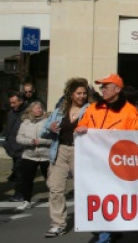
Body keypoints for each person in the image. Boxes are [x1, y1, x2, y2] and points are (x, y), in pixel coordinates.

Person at [75, 74, 138, 243]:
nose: (102, 89)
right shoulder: (93, 109)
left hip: (118, 164)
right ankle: (110, 230)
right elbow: (81, 126)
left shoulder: (130, 111)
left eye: (106, 86)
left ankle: (106, 235)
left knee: (111, 198)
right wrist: (81, 128)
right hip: (96, 163)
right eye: (101, 86)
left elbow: (137, 137)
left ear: (118, 89)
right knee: (101, 198)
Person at [41, 77, 91, 237]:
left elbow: (99, 129)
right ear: (71, 94)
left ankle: (90, 219)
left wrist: (87, 129)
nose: (82, 96)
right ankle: (58, 224)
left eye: (84, 93)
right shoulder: (59, 111)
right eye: (78, 93)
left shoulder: (91, 109)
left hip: (80, 152)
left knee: (85, 188)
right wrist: (51, 127)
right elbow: (44, 131)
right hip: (60, 150)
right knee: (56, 189)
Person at [14, 101, 49, 212]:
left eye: (40, 108)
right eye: (35, 108)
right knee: (27, 180)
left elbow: (53, 139)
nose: (38, 110)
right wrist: (30, 141)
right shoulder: (25, 123)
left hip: (45, 155)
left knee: (50, 179)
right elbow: (19, 138)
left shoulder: (47, 122)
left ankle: (55, 200)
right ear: (31, 110)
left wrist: (41, 141)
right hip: (29, 155)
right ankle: (26, 200)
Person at [4, 92, 26, 194]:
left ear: (20, 101)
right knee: (17, 171)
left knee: (20, 172)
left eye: (14, 103)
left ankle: (19, 193)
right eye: (10, 103)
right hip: (12, 147)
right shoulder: (11, 113)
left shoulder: (26, 113)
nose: (12, 105)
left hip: (21, 148)